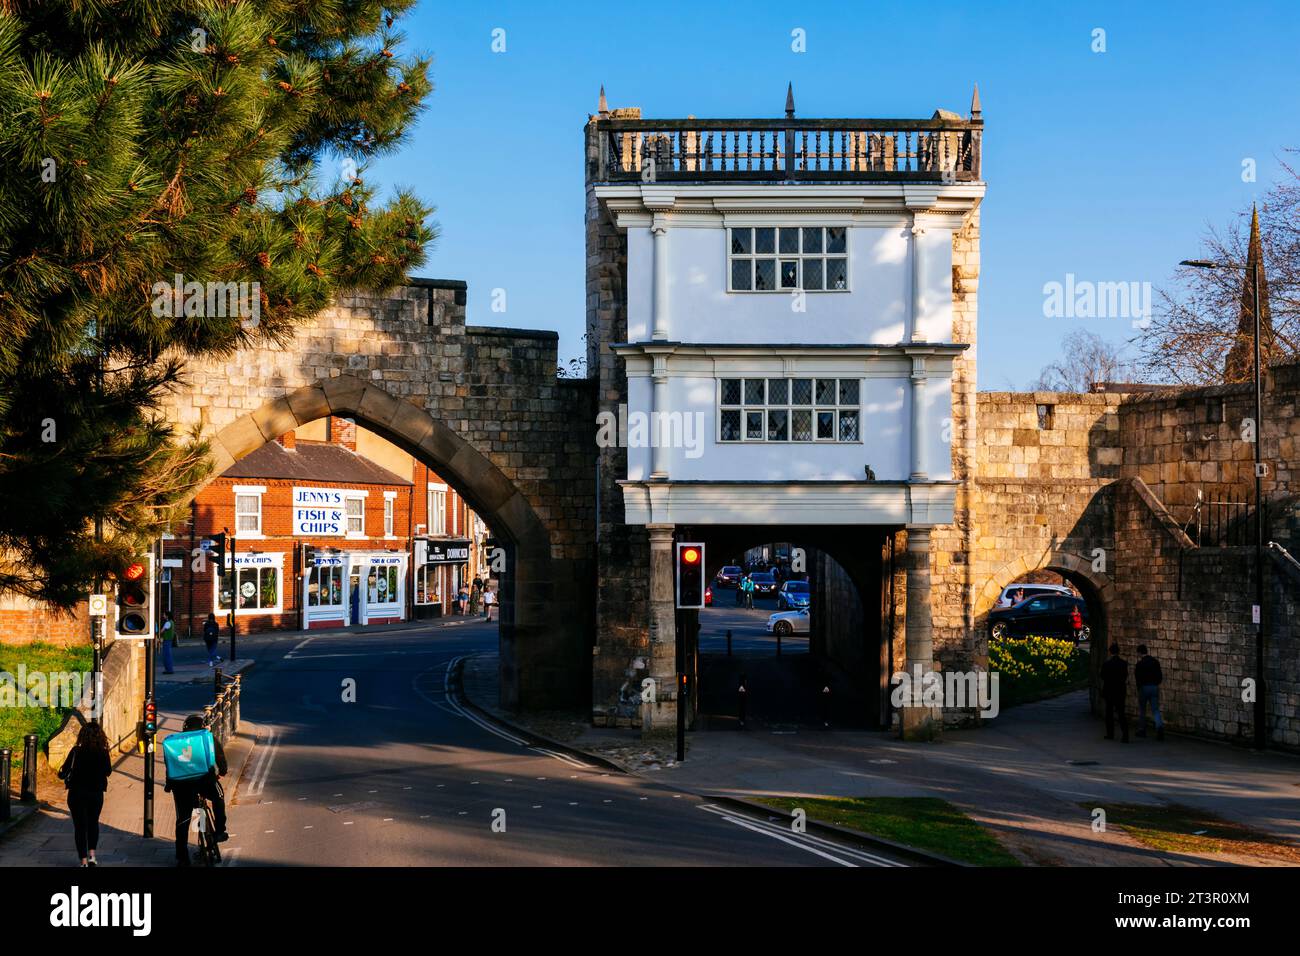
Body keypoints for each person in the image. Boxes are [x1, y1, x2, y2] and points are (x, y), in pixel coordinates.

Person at [165, 715, 228, 866]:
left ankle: (182, 857)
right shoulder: (208, 738)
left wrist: (169, 785)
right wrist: (222, 772)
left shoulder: (175, 743)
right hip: (204, 781)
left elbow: (170, 765)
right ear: (203, 726)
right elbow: (220, 757)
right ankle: (219, 831)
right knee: (219, 797)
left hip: (181, 786)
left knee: (183, 820)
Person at [60, 721, 113, 867]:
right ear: (100, 736)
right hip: (95, 794)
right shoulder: (103, 752)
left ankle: (83, 861)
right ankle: (92, 857)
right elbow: (108, 771)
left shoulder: (76, 751)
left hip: (76, 793)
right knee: (93, 823)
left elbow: (64, 771)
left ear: (82, 735)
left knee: (80, 827)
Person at [1099, 642, 1129, 743]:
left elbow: (1102, 676)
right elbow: (1125, 676)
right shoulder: (1123, 663)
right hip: (1120, 690)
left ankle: (1110, 733)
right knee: (1121, 713)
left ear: (1110, 652)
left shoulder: (1107, 664)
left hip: (1109, 690)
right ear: (1118, 652)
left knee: (1109, 713)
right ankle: (1125, 735)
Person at [1134, 644, 1165, 740]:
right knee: (1155, 709)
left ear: (1139, 652)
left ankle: (1142, 730)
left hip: (1144, 687)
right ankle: (1159, 727)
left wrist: (1139, 688)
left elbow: (1137, 678)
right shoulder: (1155, 662)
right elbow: (1160, 676)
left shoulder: (1139, 664)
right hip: (1154, 687)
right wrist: (1156, 683)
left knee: (1142, 710)